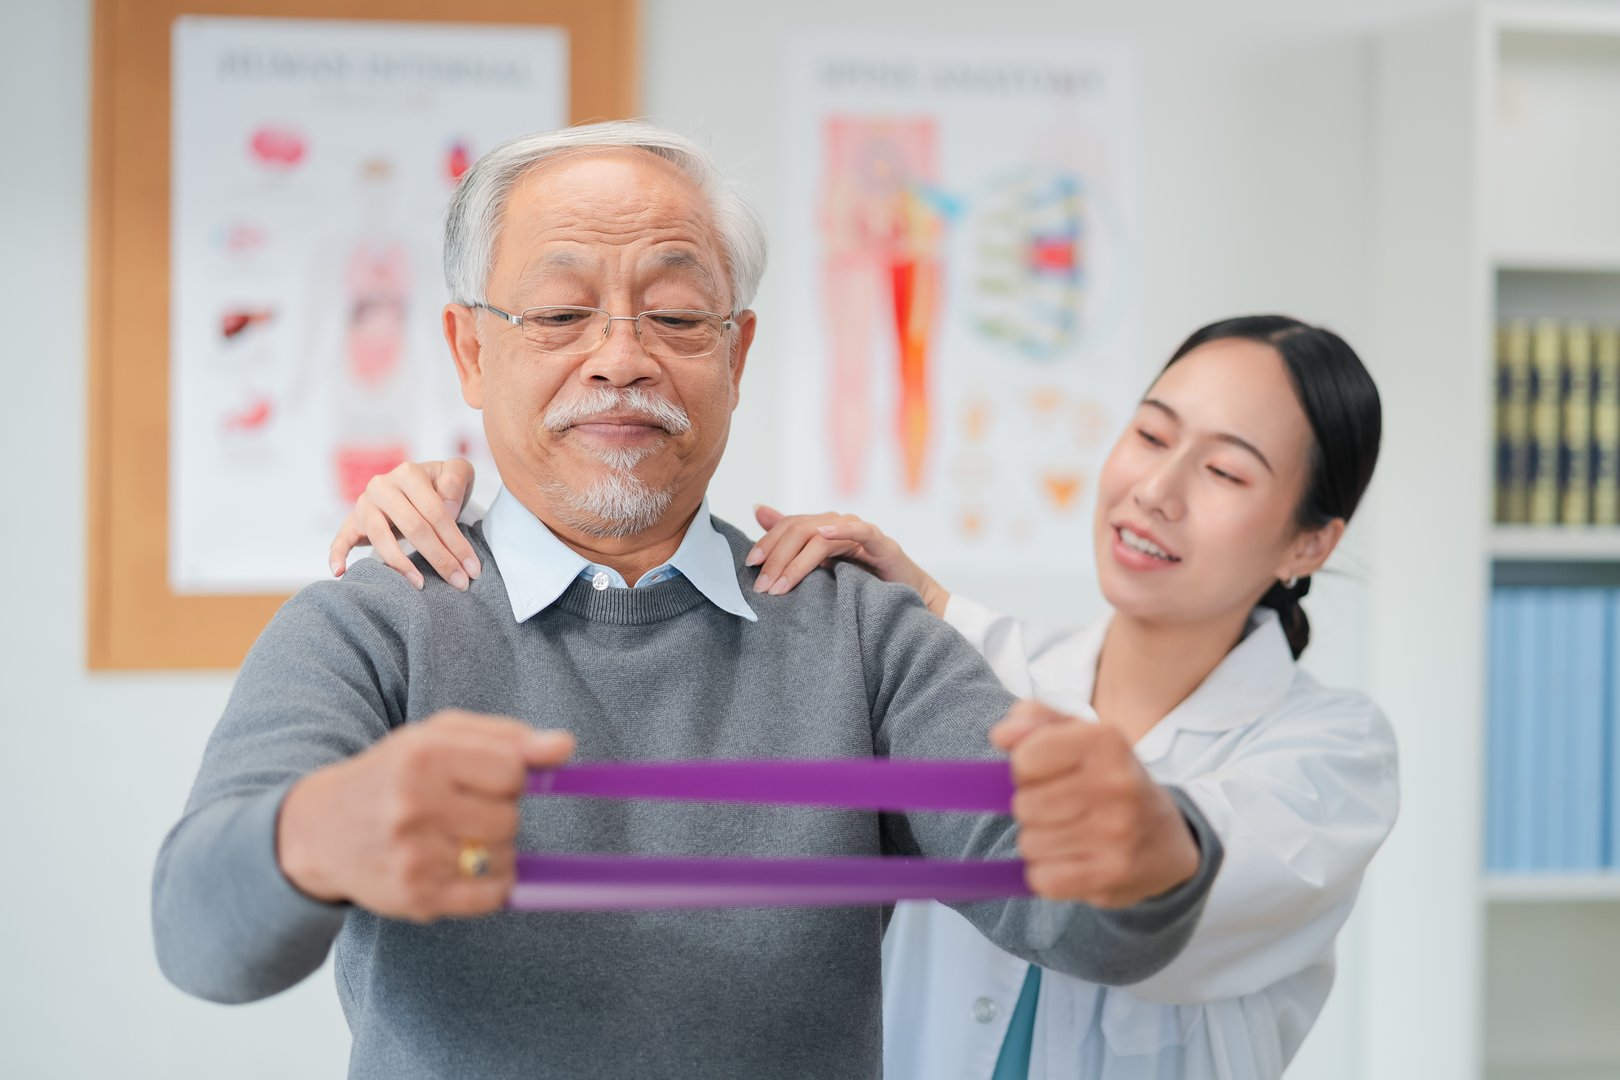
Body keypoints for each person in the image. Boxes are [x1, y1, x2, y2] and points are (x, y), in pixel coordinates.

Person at [152, 121, 1226, 1080]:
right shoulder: (374, 624)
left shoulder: (858, 633)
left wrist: (1147, 849)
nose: (622, 359)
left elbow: (1080, 916)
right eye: (563, 312)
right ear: (471, 352)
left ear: (736, 350)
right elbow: (199, 936)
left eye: (674, 314)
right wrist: (312, 836)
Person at [339, 314, 1398, 1079]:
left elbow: (1166, 912)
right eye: (1155, 434)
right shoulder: (949, 661)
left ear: (1311, 540)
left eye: (1227, 472)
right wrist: (458, 505)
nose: (1156, 491)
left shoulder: (1332, 755)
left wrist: (938, 617)